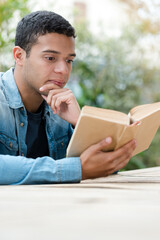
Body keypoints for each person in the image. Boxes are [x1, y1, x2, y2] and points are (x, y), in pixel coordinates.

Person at [0, 11, 136, 185]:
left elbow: (103, 165)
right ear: (19, 56)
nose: (63, 70)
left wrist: (80, 122)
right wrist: (74, 169)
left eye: (69, 60)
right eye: (50, 58)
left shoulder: (62, 106)